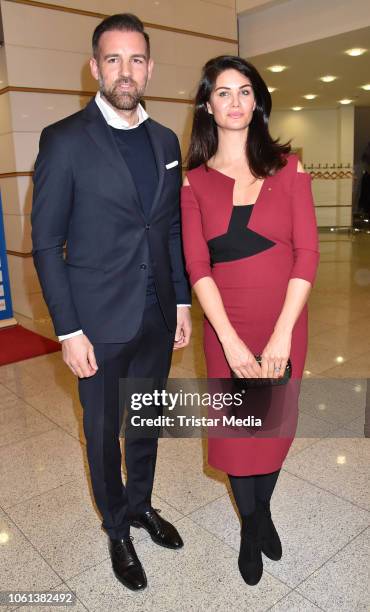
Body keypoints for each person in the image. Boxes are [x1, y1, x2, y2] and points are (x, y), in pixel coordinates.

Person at [31, 13, 191, 592]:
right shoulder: (65, 139)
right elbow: (47, 243)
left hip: (156, 313)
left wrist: (181, 305)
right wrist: (68, 330)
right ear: (95, 67)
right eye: (114, 59)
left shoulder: (165, 141)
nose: (127, 71)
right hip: (96, 322)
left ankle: (142, 505)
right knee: (101, 431)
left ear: (149, 66)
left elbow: (168, 228)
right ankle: (117, 527)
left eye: (137, 59)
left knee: (147, 419)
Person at [181, 55, 319, 586]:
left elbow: (306, 254)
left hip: (285, 322)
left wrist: (282, 332)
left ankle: (260, 515)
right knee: (240, 435)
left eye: (244, 91)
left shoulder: (290, 168)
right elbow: (198, 266)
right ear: (208, 104)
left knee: (275, 427)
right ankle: (251, 525)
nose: (234, 102)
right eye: (222, 92)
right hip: (226, 329)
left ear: (257, 102)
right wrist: (231, 342)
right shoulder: (193, 182)